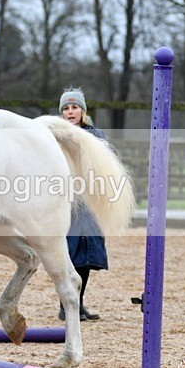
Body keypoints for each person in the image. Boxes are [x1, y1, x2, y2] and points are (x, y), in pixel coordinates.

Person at [58, 88, 108, 321]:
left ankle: (78, 304)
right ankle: (65, 305)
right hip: (68, 199)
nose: (70, 112)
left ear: (82, 110)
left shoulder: (95, 135)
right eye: (66, 108)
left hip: (89, 200)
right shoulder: (57, 136)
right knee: (69, 252)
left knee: (87, 255)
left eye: (74, 107)